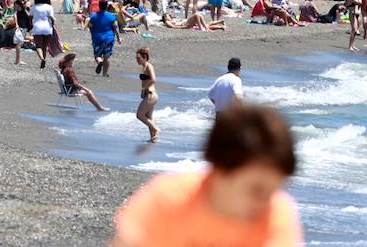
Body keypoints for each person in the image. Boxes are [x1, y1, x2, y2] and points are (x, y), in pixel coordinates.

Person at [114, 105, 302, 247]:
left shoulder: (275, 213)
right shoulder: (169, 200)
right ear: (219, 169)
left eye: (274, 190)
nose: (264, 203)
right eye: (256, 190)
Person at [28, 0, 58, 68]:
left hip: (37, 27)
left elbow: (30, 16)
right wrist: (53, 25)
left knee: (38, 46)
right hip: (47, 28)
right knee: (45, 46)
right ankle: (44, 60)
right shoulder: (49, 7)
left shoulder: (35, 7)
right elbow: (52, 18)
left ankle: (42, 59)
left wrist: (31, 24)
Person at [88, 0, 119, 77]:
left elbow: (90, 26)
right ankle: (104, 74)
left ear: (99, 6)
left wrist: (92, 34)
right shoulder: (111, 16)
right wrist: (119, 38)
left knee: (97, 56)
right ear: (107, 6)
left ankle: (100, 62)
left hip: (97, 39)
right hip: (109, 38)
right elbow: (115, 28)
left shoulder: (94, 16)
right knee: (107, 57)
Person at [135, 47, 159, 143]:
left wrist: (144, 88)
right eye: (136, 58)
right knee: (148, 118)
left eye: (139, 58)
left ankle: (156, 129)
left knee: (140, 115)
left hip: (151, 94)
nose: (137, 60)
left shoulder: (149, 66)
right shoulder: (144, 67)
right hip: (147, 94)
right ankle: (153, 138)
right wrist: (143, 90)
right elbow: (146, 80)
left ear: (145, 57)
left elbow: (153, 79)